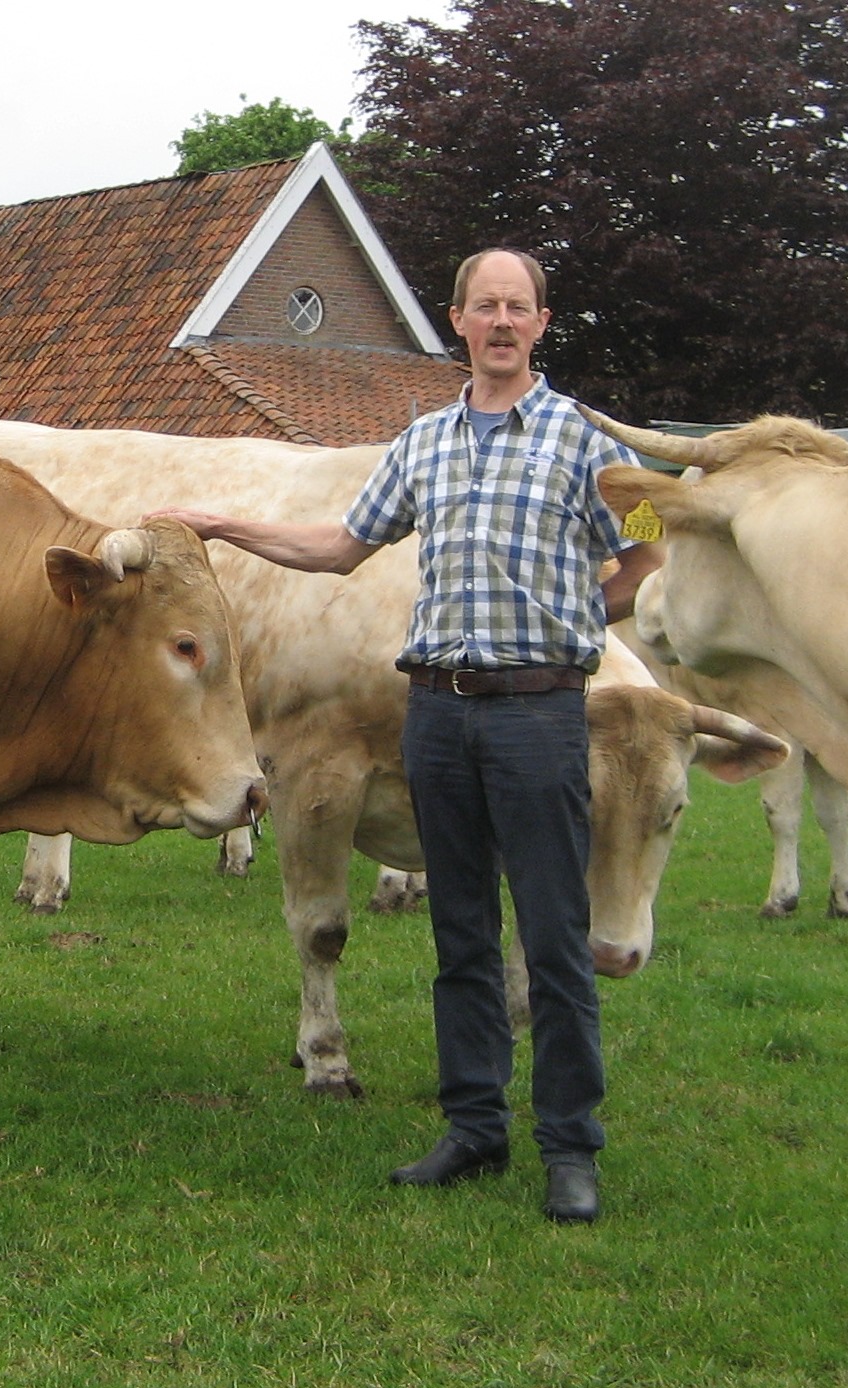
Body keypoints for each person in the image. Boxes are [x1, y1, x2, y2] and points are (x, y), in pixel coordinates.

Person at [151, 248, 659, 1223]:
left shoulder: (586, 444)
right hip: (436, 711)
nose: (501, 321)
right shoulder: (422, 443)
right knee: (458, 931)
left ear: (540, 324)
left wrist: (579, 621)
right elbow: (340, 545)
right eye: (484, 307)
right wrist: (220, 523)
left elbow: (648, 544)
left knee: (550, 936)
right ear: (458, 322)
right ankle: (472, 1124)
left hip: (539, 713)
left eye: (518, 306)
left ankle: (568, 1146)